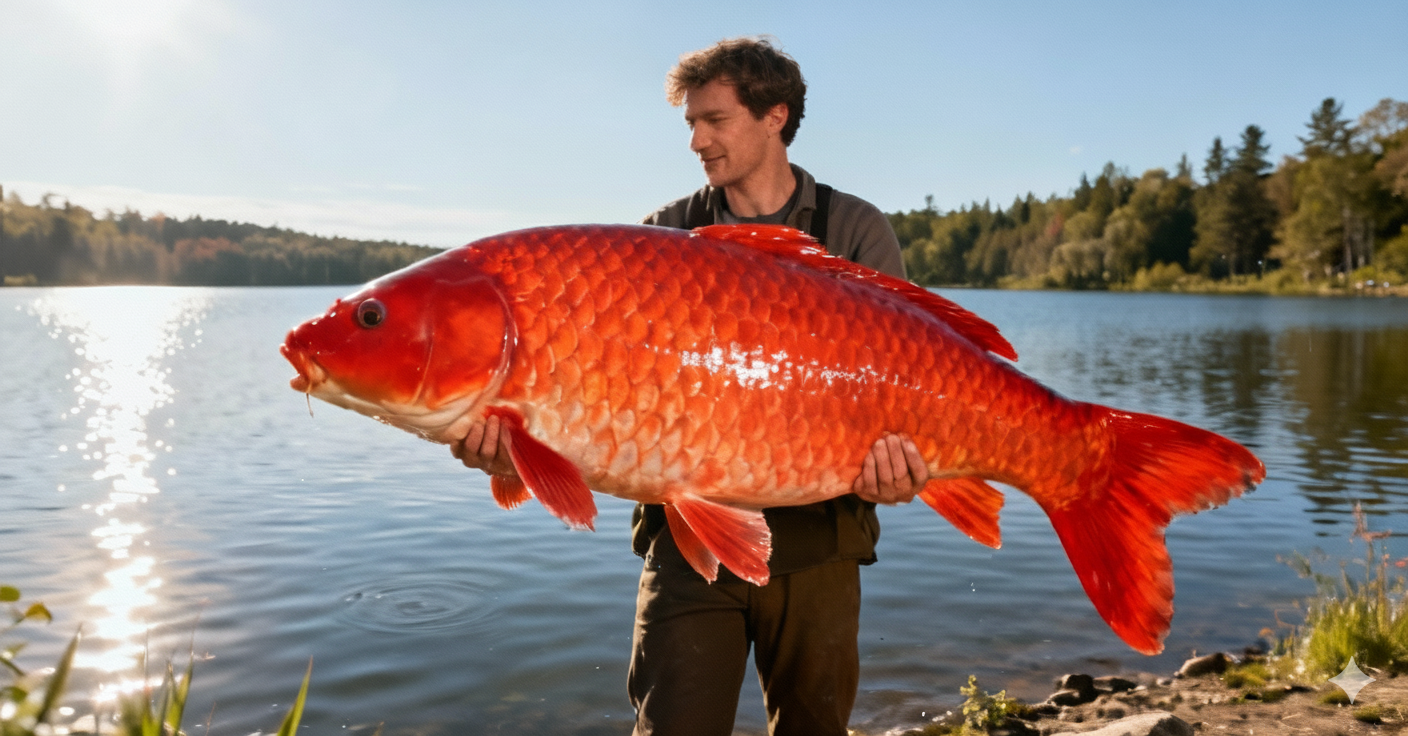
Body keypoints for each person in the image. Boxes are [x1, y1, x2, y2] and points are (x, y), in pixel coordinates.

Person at [451, 36, 930, 736]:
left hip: (821, 548)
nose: (697, 141)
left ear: (775, 116)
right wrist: (513, 451)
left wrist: (908, 470)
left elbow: (911, 380)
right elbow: (598, 398)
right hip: (685, 548)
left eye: (715, 120)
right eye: (691, 123)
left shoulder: (853, 228)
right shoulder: (663, 236)